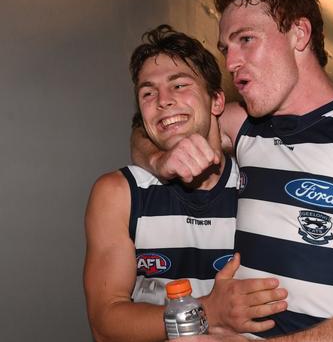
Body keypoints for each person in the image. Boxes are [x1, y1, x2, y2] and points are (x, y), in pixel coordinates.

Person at [133, 0, 333, 341]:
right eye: (225, 47)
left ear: (299, 33)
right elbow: (149, 128)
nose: (230, 62)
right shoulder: (243, 127)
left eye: (245, 39)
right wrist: (159, 160)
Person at [83, 25, 288, 342]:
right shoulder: (119, 192)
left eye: (179, 85)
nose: (163, 101)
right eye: (148, 92)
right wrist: (208, 311)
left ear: (217, 102)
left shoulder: (259, 190)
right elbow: (105, 324)